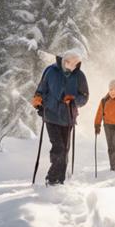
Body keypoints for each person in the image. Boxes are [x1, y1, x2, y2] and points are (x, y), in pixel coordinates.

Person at [31, 50, 89, 185]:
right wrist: (38, 99)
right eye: (68, 61)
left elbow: (85, 97)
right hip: (51, 115)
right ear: (63, 60)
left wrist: (73, 100)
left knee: (65, 149)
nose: (71, 65)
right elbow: (41, 89)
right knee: (58, 147)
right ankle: (51, 179)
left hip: (68, 117)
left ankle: (60, 180)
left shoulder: (79, 76)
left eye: (75, 63)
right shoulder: (51, 71)